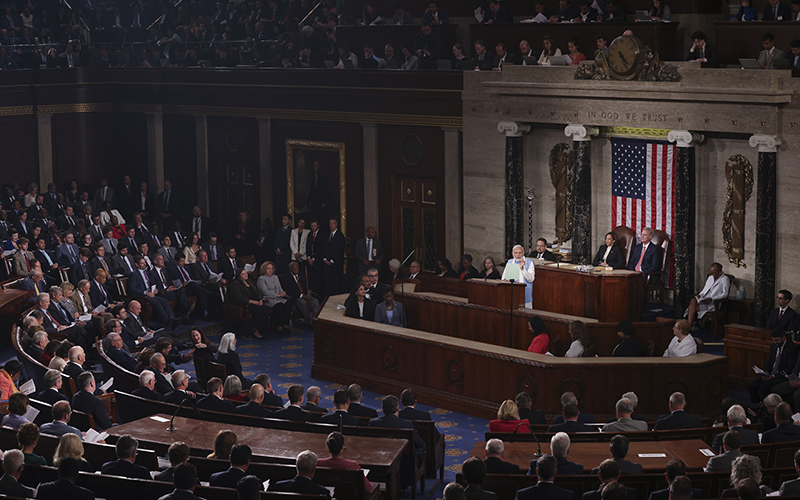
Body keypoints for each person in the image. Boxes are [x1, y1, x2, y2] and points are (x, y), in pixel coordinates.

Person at [369, 395, 424, 465]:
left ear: (382, 409)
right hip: (402, 461)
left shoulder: (373, 423)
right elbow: (418, 442)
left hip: (380, 457)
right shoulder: (406, 424)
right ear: (397, 408)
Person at [748, 327, 795, 403]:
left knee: (764, 387)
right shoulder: (773, 346)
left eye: (777, 340)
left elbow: (788, 369)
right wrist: (766, 372)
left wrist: (773, 376)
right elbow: (769, 362)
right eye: (773, 340)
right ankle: (756, 406)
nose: (775, 342)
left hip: (781, 376)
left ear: (783, 337)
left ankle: (765, 408)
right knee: (751, 386)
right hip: (770, 374)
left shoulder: (791, 349)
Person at [685, 262, 730, 330]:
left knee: (692, 308)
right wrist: (700, 295)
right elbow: (704, 290)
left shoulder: (725, 279)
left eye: (715, 273)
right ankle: (690, 327)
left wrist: (712, 299)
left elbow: (725, 294)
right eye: (712, 273)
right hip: (704, 300)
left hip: (713, 303)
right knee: (693, 300)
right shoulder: (710, 278)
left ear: (720, 272)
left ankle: (689, 327)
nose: (713, 275)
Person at [227, 268, 266, 339]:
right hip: (246, 304)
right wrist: (253, 302)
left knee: (265, 308)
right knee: (258, 310)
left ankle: (261, 328)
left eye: (246, 273)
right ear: (239, 276)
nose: (246, 275)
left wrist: (260, 299)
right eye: (243, 274)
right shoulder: (236, 285)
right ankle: (255, 330)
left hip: (257, 302)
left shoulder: (249, 282)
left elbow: (258, 292)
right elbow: (239, 298)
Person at [256, 261, 292, 332]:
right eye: (268, 268)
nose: (270, 270)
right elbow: (265, 292)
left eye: (272, 268)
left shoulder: (275, 277)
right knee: (279, 306)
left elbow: (280, 288)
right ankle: (279, 326)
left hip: (278, 298)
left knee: (287, 303)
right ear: (264, 269)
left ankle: (285, 324)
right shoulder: (261, 279)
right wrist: (277, 295)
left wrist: (283, 294)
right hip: (268, 299)